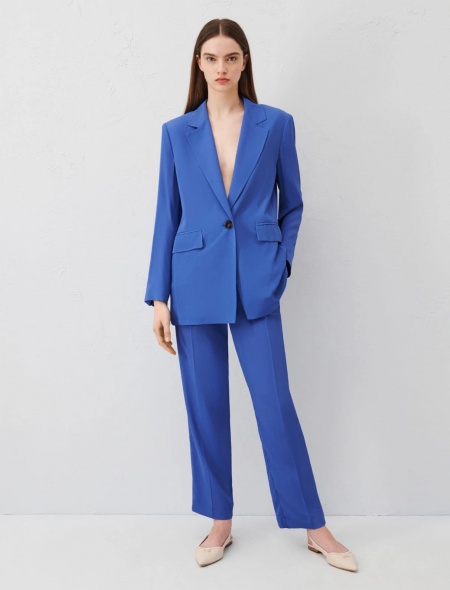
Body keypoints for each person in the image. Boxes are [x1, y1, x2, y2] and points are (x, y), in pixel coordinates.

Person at [144, 18, 357, 572]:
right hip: (192, 283)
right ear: (199, 63)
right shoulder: (176, 132)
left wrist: (280, 263)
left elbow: (293, 204)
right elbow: (167, 215)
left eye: (231, 57)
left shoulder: (275, 124)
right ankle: (219, 521)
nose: (221, 67)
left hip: (257, 283)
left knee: (274, 405)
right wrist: (158, 297)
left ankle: (314, 525)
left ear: (245, 62)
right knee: (206, 407)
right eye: (211, 57)